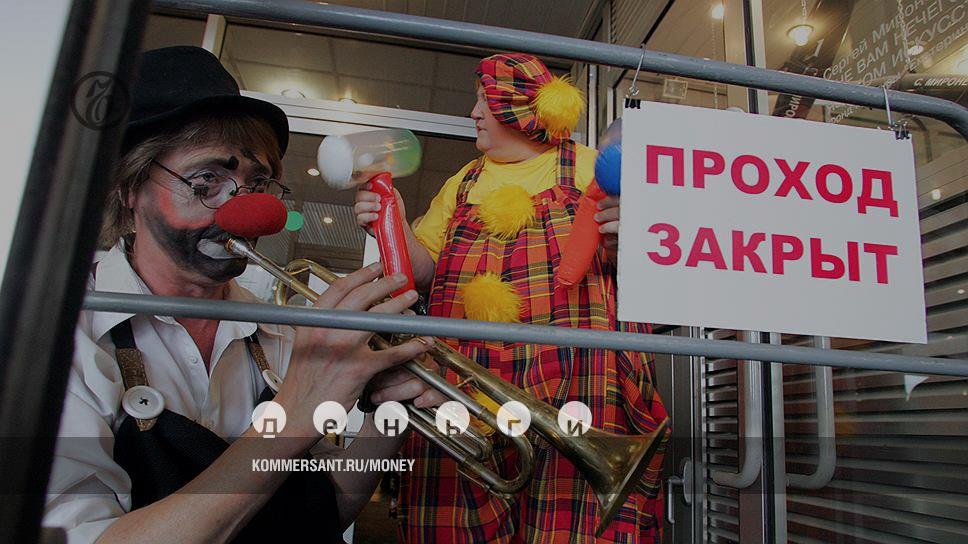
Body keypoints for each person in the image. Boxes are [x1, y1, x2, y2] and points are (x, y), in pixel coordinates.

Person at [43, 46, 444, 543]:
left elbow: (320, 510)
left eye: (257, 183)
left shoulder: (276, 333)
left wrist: (389, 419)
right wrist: (297, 409)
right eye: (206, 180)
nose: (244, 211)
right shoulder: (60, 336)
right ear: (131, 187)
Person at [355, 53, 669, 543]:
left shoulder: (588, 165)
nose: (474, 112)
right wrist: (390, 217)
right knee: (459, 512)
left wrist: (625, 237)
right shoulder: (462, 183)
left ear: (521, 106)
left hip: (576, 373)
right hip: (464, 379)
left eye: (485, 100)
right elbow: (422, 273)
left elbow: (644, 264)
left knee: (573, 520)